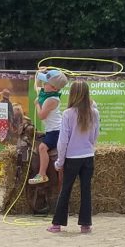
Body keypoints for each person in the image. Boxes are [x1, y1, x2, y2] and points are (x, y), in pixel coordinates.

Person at [46, 80, 100, 233]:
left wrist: (59, 161)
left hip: (72, 158)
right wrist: (88, 147)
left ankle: (57, 224)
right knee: (86, 190)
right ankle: (85, 225)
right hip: (88, 156)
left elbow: (63, 141)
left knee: (66, 190)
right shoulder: (94, 112)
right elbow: (95, 135)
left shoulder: (68, 114)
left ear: (73, 94)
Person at [28, 68, 68, 184]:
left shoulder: (52, 100)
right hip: (52, 129)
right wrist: (39, 72)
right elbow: (37, 84)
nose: (44, 84)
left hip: (56, 130)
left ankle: (42, 174)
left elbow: (41, 116)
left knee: (42, 148)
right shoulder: (46, 93)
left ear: (54, 88)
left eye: (46, 83)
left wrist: (36, 104)